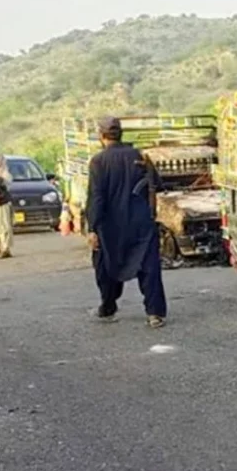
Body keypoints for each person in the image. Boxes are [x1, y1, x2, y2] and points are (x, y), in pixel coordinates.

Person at [87, 116, 168, 328]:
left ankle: (108, 307)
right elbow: (157, 185)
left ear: (101, 135)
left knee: (105, 265)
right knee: (149, 266)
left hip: (111, 225)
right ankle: (155, 314)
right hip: (141, 221)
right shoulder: (139, 156)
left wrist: (92, 228)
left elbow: (96, 197)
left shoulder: (98, 161)